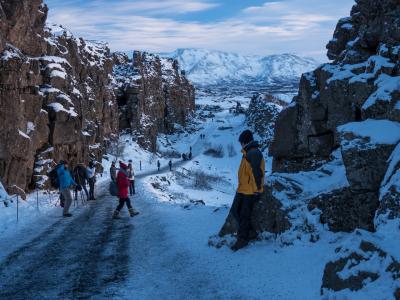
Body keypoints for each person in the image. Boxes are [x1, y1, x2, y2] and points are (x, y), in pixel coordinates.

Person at [230, 130, 265, 251]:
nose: (240, 144)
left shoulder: (254, 153)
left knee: (244, 215)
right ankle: (250, 232)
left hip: (250, 191)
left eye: (241, 142)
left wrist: (257, 190)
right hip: (242, 188)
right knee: (235, 210)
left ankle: (242, 240)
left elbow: (257, 173)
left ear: (245, 141)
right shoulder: (247, 152)